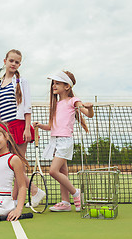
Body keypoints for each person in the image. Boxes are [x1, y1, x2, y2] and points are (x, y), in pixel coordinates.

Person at [0, 49, 45, 208]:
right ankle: (15, 199)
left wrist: (27, 128)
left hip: (19, 126)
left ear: (19, 64)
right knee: (11, 165)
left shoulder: (22, 81)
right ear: (4, 61)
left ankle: (33, 192)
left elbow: (27, 107)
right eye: (11, 60)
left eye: (17, 62)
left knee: (15, 166)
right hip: (5, 129)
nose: (13, 64)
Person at [33, 70, 94, 212]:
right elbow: (51, 127)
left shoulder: (73, 100)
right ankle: (65, 202)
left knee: (53, 171)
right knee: (62, 172)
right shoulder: (55, 104)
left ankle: (76, 193)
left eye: (57, 83)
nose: (54, 85)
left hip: (65, 141)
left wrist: (90, 109)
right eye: (53, 83)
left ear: (67, 86)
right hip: (55, 141)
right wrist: (39, 126)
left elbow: (88, 115)